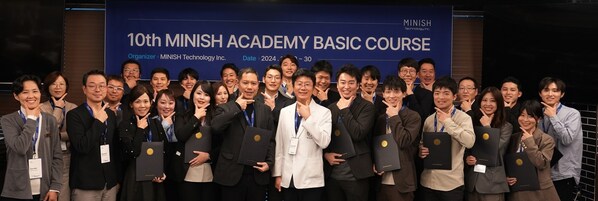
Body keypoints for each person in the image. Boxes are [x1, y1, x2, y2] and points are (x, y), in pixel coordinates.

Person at [211, 68, 275, 201]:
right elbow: (216, 127)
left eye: (253, 83)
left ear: (258, 85)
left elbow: (271, 140)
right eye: (245, 83)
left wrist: (269, 162)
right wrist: (237, 107)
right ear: (237, 83)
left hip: (257, 173)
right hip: (231, 173)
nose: (249, 87)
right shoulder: (226, 107)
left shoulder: (265, 109)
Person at [1, 75, 63, 201]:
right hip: (16, 190)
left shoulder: (50, 120)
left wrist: (54, 187)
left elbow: (57, 156)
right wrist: (31, 119)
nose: (31, 96)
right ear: (16, 96)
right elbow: (20, 148)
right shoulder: (7, 120)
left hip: (45, 190)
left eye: (35, 91)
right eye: (25, 92)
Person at [273, 69, 332, 201]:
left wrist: (308, 118)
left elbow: (324, 142)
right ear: (293, 87)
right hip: (288, 177)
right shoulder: (285, 112)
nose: (303, 88)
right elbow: (279, 145)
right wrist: (278, 174)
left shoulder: (324, 112)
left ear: (313, 87)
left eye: (307, 84)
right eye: (299, 84)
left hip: (311, 179)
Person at [66, 70, 121, 201]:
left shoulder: (111, 114)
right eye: (92, 85)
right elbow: (82, 146)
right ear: (84, 89)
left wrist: (116, 179)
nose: (98, 89)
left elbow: (114, 149)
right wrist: (98, 122)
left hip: (110, 183)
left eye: (102, 85)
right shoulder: (74, 115)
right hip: (86, 184)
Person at [418, 76, 475, 201]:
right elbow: (422, 144)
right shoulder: (429, 119)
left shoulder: (463, 118)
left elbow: (469, 142)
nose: (440, 97)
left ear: (454, 97)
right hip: (428, 182)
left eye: (446, 93)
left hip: (451, 184)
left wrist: (448, 122)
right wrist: (421, 151)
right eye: (437, 93)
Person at [324, 64, 375, 201]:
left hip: (357, 175)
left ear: (358, 85)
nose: (346, 86)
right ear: (337, 84)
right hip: (333, 175)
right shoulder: (330, 108)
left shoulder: (367, 107)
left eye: (351, 83)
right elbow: (324, 137)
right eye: (343, 82)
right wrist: (325, 154)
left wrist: (345, 110)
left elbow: (358, 133)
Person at [372, 75, 421, 201]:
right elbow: (377, 145)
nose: (392, 95)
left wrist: (394, 116)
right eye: (388, 91)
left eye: (396, 91)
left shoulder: (413, 117)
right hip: (381, 180)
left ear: (404, 94)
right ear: (383, 94)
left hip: (402, 182)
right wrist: (375, 163)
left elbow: (404, 141)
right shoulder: (381, 118)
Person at [118, 85, 166, 201]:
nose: (142, 106)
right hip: (134, 177)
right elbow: (132, 152)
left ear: (151, 103)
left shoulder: (156, 123)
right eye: (137, 102)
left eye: (146, 101)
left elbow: (164, 150)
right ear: (131, 104)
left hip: (154, 177)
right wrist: (139, 130)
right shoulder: (125, 125)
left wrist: (162, 172)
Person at [538, 77, 582, 201]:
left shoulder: (572, 114)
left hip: (564, 174)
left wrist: (553, 117)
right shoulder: (539, 114)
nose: (550, 94)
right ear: (540, 94)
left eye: (555, 91)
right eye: (546, 90)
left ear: (561, 94)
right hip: (544, 172)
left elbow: (567, 139)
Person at [464, 87, 512, 201]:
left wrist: (487, 127)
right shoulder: (472, 123)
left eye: (493, 101)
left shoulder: (506, 127)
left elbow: (495, 150)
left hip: (492, 184)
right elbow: (466, 147)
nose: (488, 104)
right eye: (484, 100)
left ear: (499, 104)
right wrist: (467, 158)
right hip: (472, 182)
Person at [505, 100, 559, 201]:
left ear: (538, 119)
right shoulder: (514, 138)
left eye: (530, 116)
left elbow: (541, 163)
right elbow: (508, 162)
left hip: (540, 192)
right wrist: (507, 177)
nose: (525, 119)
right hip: (518, 191)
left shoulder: (546, 139)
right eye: (522, 115)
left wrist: (529, 141)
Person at [174, 82, 218, 201]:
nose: (202, 97)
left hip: (210, 171)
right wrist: (196, 117)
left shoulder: (217, 117)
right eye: (198, 93)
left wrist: (209, 156)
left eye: (206, 94)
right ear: (192, 95)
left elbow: (223, 143)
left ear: (211, 98)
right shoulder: (182, 115)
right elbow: (181, 136)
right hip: (187, 170)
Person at [255, 64, 292, 201]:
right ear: (264, 79)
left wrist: (273, 110)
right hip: (259, 152)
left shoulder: (289, 102)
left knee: (276, 194)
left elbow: (289, 127)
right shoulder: (255, 99)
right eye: (269, 77)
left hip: (281, 154)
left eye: (277, 78)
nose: (273, 80)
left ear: (281, 81)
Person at [39, 71, 77, 201]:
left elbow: (74, 134)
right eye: (54, 84)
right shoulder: (40, 108)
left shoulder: (73, 107)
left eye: (61, 84)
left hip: (67, 155)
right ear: (48, 87)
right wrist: (58, 109)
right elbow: (45, 132)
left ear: (66, 87)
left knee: (64, 192)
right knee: (46, 192)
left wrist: (58, 136)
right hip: (45, 156)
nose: (58, 87)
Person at [151, 89, 182, 201]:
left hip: (176, 171)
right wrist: (163, 125)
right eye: (163, 102)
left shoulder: (180, 121)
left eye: (171, 103)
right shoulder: (150, 121)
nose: (167, 106)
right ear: (156, 104)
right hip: (157, 170)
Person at [398, 57, 434, 122]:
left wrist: (410, 94)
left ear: (417, 74)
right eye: (404, 71)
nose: (408, 74)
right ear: (399, 74)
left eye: (411, 71)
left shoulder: (427, 94)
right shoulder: (392, 93)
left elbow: (422, 117)